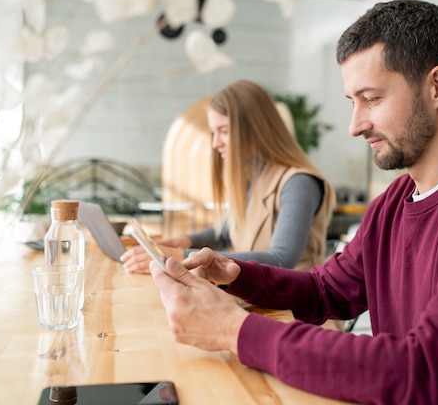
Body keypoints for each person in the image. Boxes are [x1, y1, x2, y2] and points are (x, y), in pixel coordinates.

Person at [147, 0, 438, 405]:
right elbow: (326, 289)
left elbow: (432, 374)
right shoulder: (394, 202)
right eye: (352, 102)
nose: (355, 125)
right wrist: (236, 274)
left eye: (372, 99)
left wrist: (233, 330)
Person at [121, 79, 335, 272]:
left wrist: (183, 256)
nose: (215, 143)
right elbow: (224, 234)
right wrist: (184, 241)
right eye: (214, 132)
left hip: (296, 311)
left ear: (255, 129)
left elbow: (281, 261)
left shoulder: (299, 183)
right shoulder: (251, 177)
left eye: (224, 131)